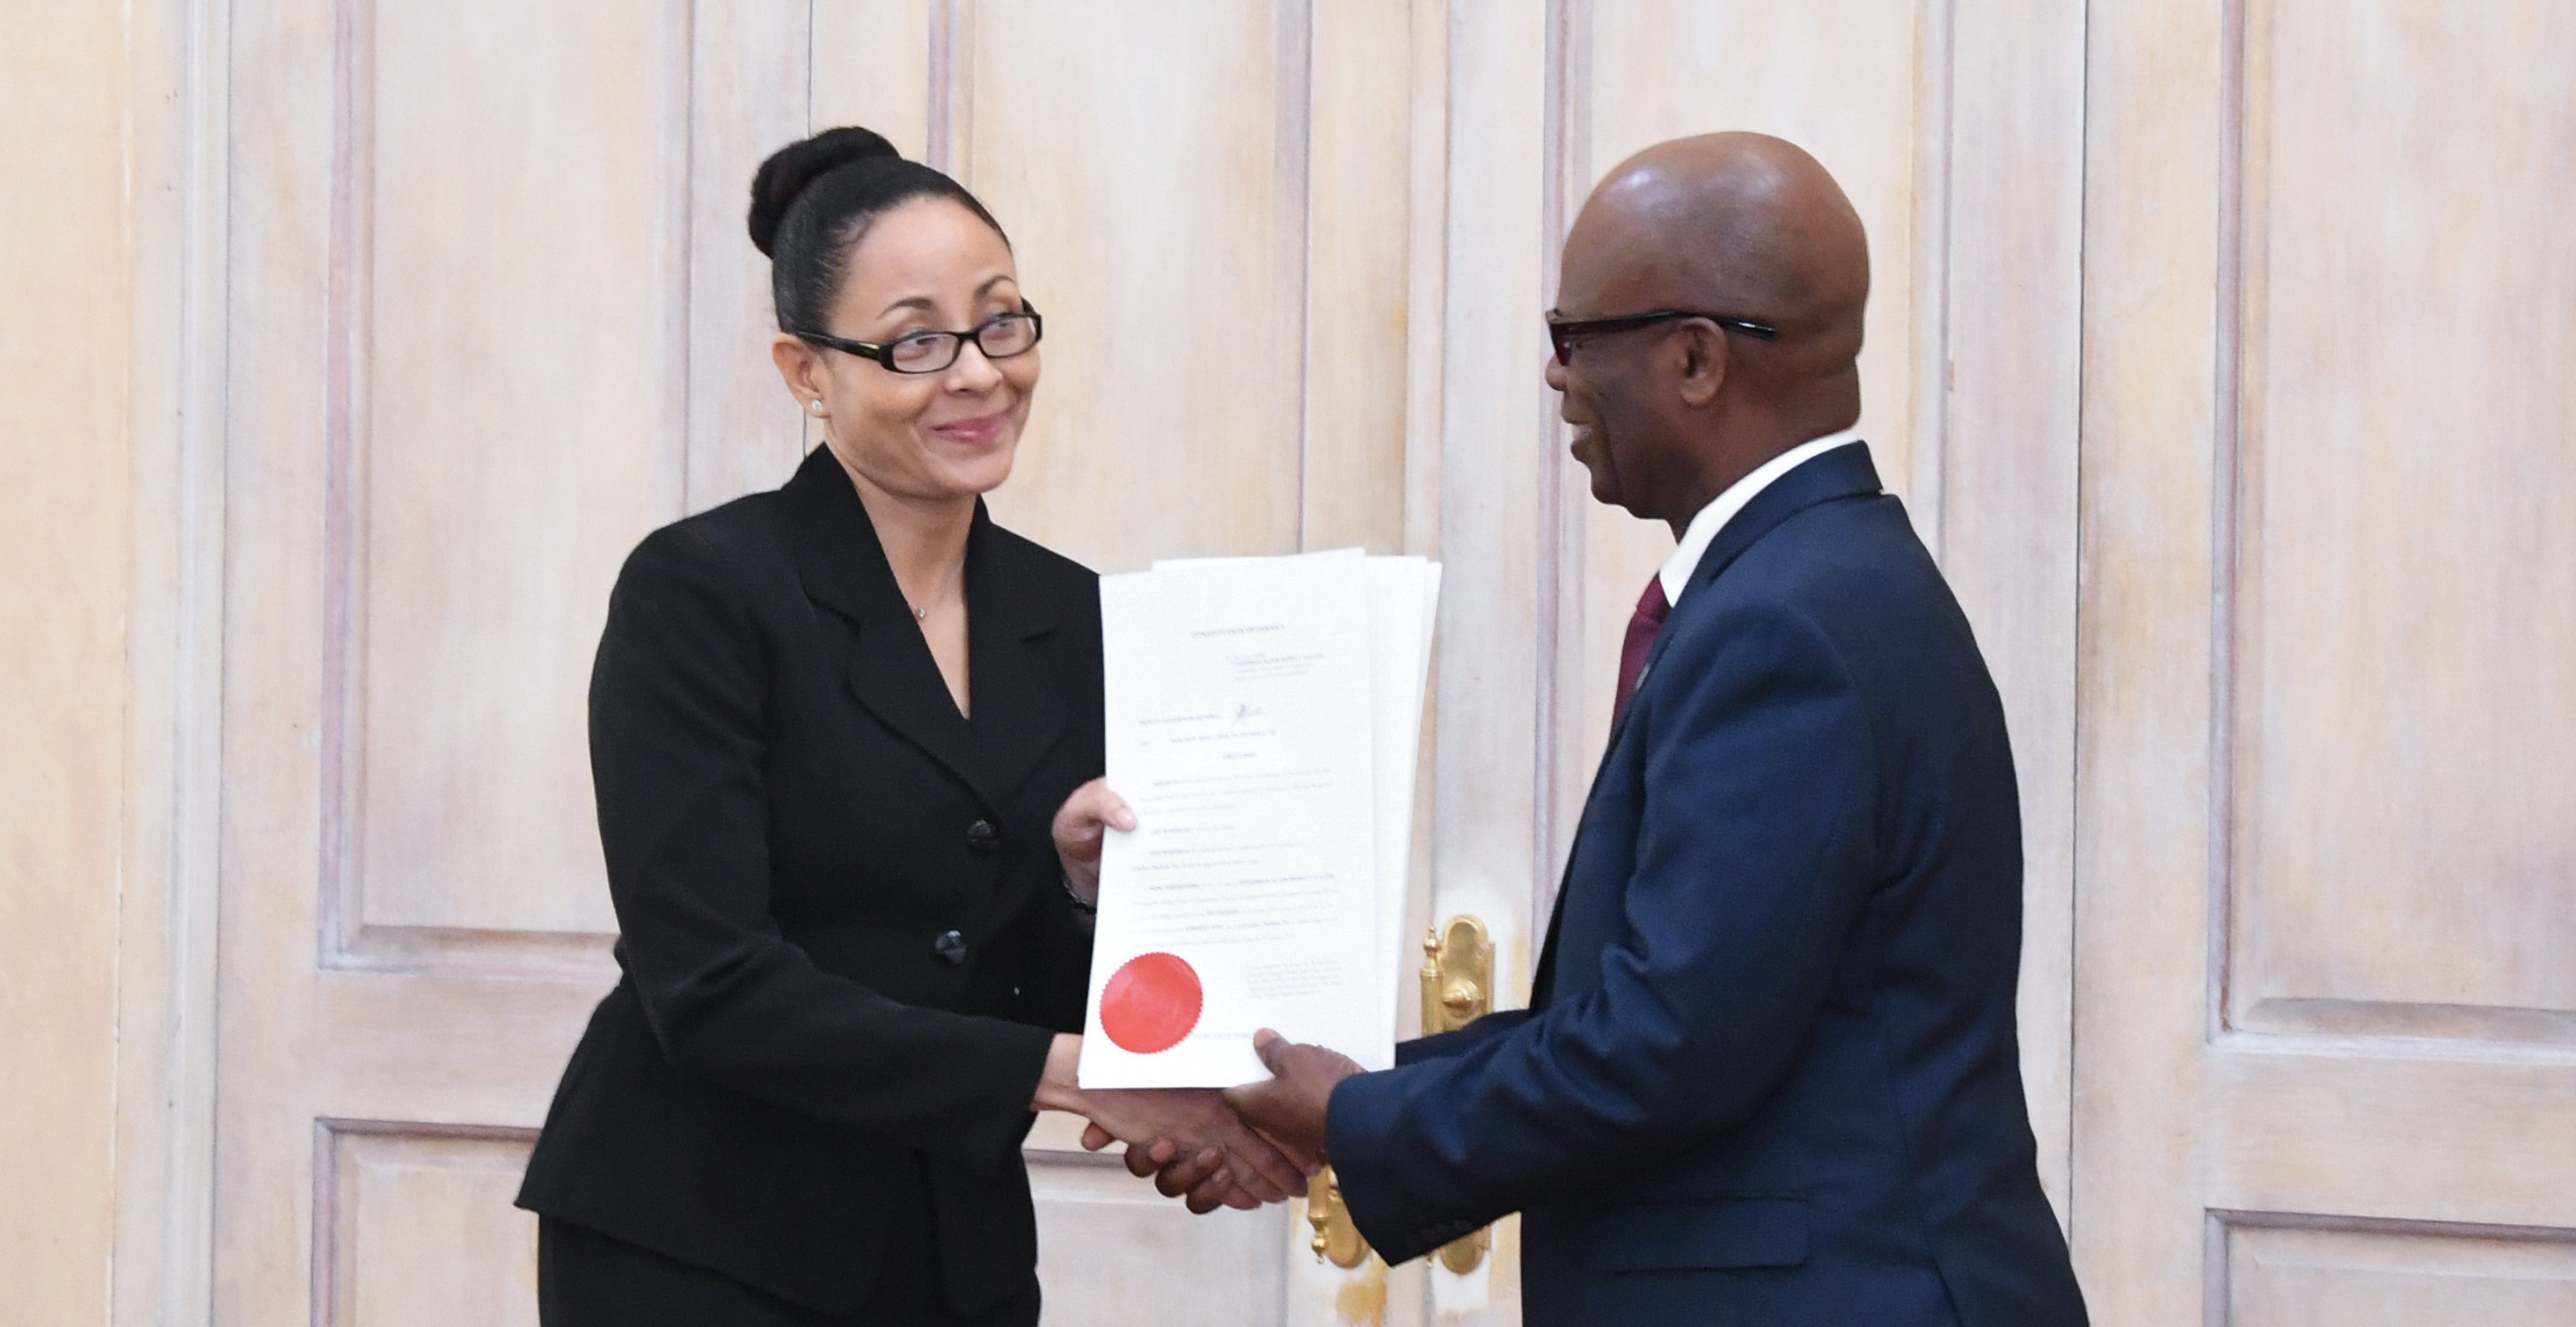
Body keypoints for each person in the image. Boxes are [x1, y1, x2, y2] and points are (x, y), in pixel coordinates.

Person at [1145, 134, 2089, 1324]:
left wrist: (1353, 1118)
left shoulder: (1787, 623)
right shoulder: (1819, 581)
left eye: (1572, 338)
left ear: (1694, 358)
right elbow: (1674, 1010)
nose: (1553, 378)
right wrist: (1346, 1087)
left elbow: (1670, 1044)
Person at [516, 128, 1302, 1327]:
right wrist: (1079, 1075)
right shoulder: (703, 591)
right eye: (916, 340)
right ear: (805, 370)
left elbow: (1014, 965)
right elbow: (711, 983)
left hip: (952, 1249)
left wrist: (1085, 892)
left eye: (1001, 322)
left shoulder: (1072, 613)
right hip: (699, 1242)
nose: (980, 373)